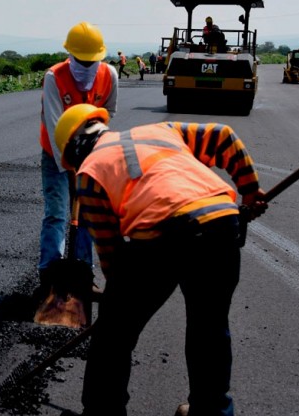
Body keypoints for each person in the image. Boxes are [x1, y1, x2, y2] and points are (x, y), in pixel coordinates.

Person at [54, 104, 268, 416]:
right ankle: (210, 411)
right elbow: (223, 136)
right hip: (221, 223)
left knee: (113, 337)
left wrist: (119, 305)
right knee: (209, 329)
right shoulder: (159, 130)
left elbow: (112, 254)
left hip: (164, 235)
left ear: (74, 151)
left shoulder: (89, 174)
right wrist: (249, 192)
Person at [38, 23, 118, 294]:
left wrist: (94, 152)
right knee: (58, 214)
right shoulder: (54, 77)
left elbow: (109, 112)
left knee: (86, 215)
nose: (86, 66)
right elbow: (53, 124)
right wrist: (68, 165)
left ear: (100, 57)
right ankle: (49, 273)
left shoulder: (110, 74)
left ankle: (84, 275)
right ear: (70, 55)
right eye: (81, 61)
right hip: (55, 154)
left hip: (92, 156)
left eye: (91, 61)